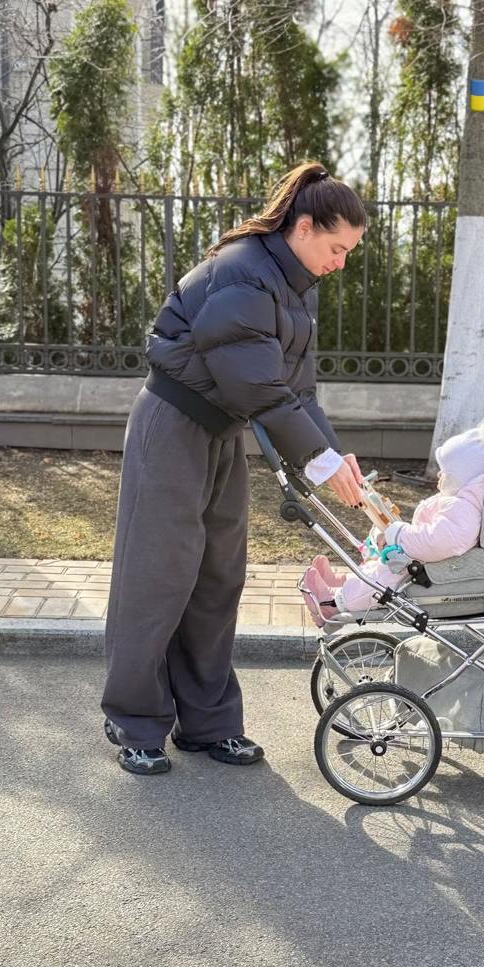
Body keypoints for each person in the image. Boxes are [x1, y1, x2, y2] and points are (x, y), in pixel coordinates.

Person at [101, 162, 367, 775]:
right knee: (157, 576)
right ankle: (133, 720)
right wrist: (320, 462)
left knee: (219, 578)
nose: (341, 261)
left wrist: (338, 457)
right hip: (172, 425)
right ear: (303, 228)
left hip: (220, 433)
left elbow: (298, 392)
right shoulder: (244, 274)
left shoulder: (294, 288)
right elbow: (258, 387)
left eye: (349, 251)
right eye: (336, 248)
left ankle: (209, 723)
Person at [300, 427, 484, 625]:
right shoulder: (464, 503)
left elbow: (439, 541)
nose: (439, 476)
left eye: (445, 472)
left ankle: (332, 604)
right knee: (382, 567)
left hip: (429, 570)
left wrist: (399, 534)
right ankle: (344, 582)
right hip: (427, 561)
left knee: (385, 579)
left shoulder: (464, 509)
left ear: (462, 477)